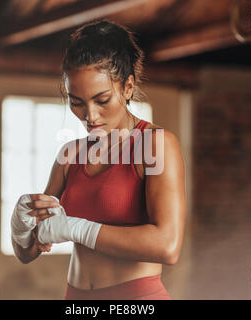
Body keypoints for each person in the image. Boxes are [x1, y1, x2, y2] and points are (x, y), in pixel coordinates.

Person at [11, 19, 186, 300]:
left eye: (102, 100)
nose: (89, 116)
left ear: (128, 87)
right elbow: (29, 251)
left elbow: (168, 245)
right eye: (77, 102)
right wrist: (20, 227)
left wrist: (76, 228)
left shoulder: (155, 144)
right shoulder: (70, 155)